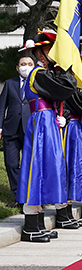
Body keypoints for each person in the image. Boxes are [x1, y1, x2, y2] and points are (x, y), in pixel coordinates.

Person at [17, 31, 77, 242]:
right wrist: (66, 69)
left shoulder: (42, 73)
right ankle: (31, 225)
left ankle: (38, 223)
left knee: (47, 169)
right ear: (41, 53)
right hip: (42, 123)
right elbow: (65, 89)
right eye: (50, 49)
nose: (53, 53)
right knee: (38, 169)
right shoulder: (39, 74)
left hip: (47, 121)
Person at [0, 53, 34, 207]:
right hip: (11, 129)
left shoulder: (37, 84)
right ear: (17, 68)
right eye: (23, 64)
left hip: (30, 129)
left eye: (29, 64)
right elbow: (2, 107)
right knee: (11, 163)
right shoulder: (9, 83)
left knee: (29, 164)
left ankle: (28, 196)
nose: (25, 66)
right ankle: (17, 196)